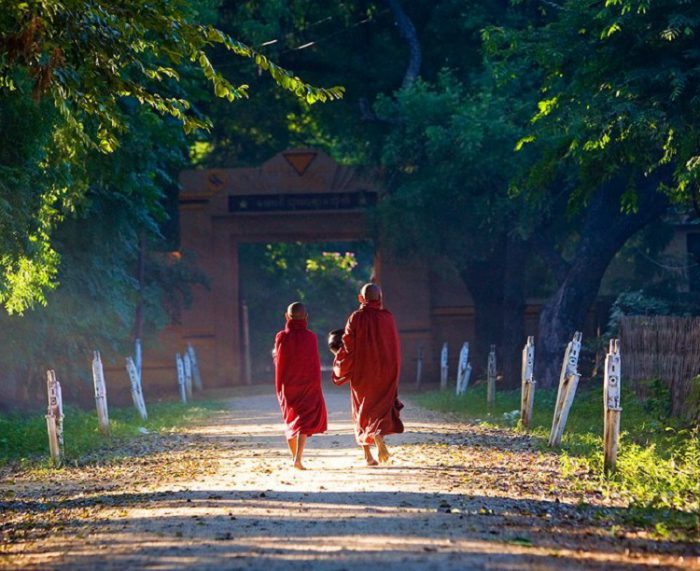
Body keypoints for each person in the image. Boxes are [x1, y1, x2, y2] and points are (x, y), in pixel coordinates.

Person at [331, 283, 404, 466]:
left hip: (363, 372)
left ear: (360, 298)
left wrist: (339, 361)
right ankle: (379, 437)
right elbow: (394, 347)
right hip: (386, 371)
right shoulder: (388, 317)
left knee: (362, 410)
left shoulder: (356, 317)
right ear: (380, 298)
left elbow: (348, 347)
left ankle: (368, 456)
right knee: (381, 409)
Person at [273, 301, 327, 470]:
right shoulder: (311, 337)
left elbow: (278, 360)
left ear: (286, 316)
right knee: (303, 421)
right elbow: (313, 363)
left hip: (287, 385)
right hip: (307, 385)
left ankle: (295, 458)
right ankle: (298, 458)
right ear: (306, 317)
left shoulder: (281, 336)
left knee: (290, 419)